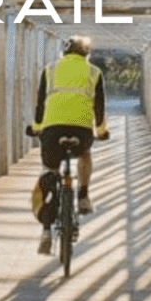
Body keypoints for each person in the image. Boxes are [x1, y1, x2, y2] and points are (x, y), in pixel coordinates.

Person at [24, 35, 110, 255]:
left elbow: (41, 102)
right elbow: (99, 108)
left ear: (64, 53)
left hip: (53, 131)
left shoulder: (49, 69)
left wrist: (36, 127)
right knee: (85, 154)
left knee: (49, 171)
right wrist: (100, 131)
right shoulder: (94, 72)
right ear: (86, 54)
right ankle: (82, 195)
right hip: (81, 130)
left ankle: (45, 231)